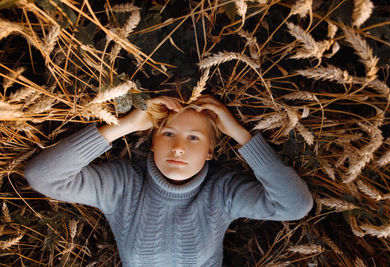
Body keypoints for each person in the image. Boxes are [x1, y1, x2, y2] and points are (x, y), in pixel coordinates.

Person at [24, 94, 313, 266]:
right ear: (152, 142)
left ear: (210, 151)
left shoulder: (223, 192)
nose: (178, 147)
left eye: (194, 138)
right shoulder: (122, 186)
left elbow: (296, 205)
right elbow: (43, 177)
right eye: (168, 133)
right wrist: (123, 126)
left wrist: (240, 134)